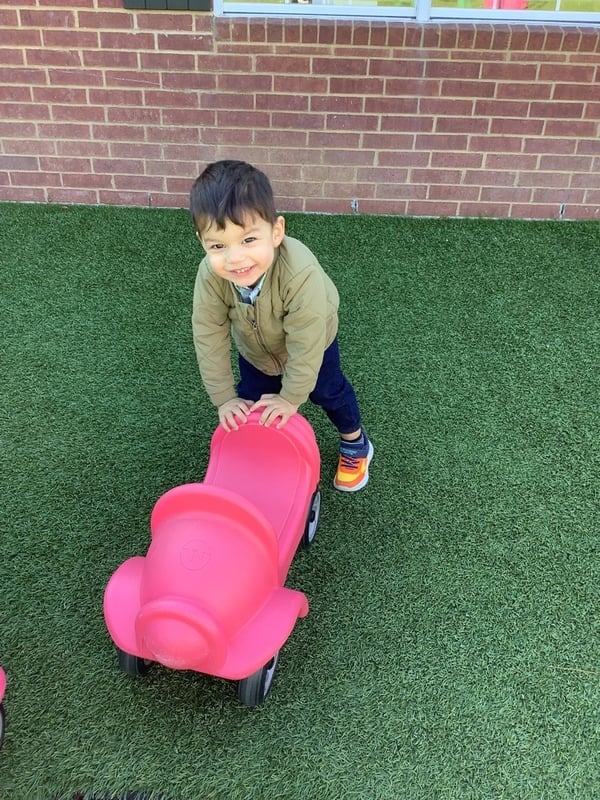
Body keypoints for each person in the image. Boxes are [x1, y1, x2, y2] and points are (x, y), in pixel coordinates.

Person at [189, 160, 373, 492]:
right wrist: (224, 398)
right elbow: (208, 332)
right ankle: (263, 452)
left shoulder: (299, 272)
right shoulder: (211, 276)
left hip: (314, 341)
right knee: (250, 402)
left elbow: (306, 342)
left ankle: (355, 443)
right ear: (202, 241)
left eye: (248, 240)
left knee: (327, 391)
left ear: (276, 232)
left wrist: (290, 399)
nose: (234, 259)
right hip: (256, 347)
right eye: (218, 246)